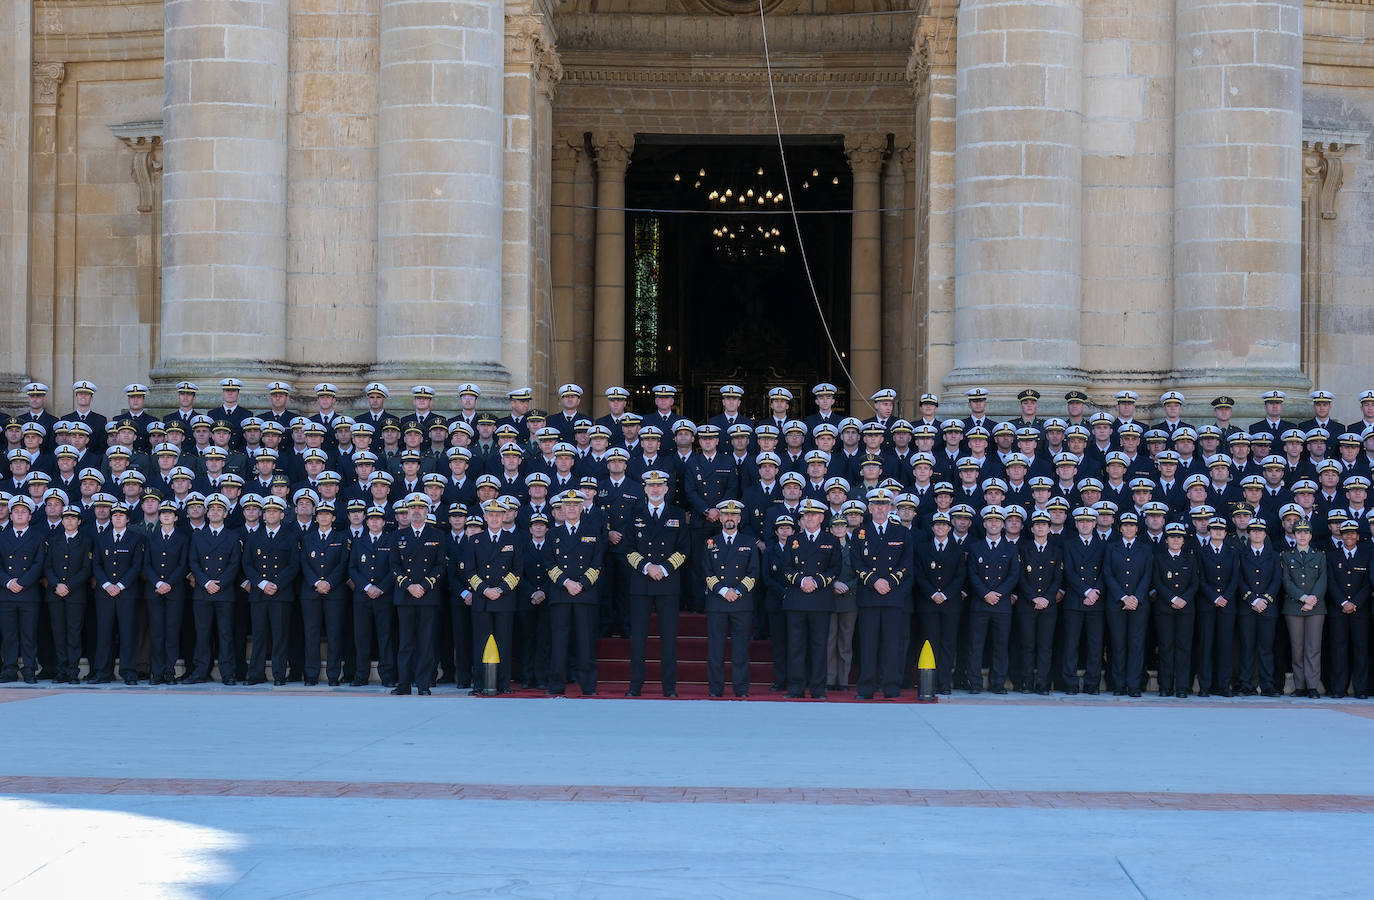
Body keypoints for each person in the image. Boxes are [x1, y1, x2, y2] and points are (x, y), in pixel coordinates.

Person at [623, 470, 689, 697]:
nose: (655, 489)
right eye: (651, 485)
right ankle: (635, 686)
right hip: (641, 583)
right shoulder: (634, 513)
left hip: (667, 583)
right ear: (644, 489)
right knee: (638, 638)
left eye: (659, 485)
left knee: (669, 639)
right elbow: (628, 548)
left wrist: (664, 568)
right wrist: (647, 567)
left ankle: (669, 687)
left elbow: (684, 548)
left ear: (666, 489)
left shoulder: (677, 514)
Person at [851, 489, 913, 699]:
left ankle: (891, 686)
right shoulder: (860, 533)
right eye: (876, 505)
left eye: (883, 505)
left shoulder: (902, 532)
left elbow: (907, 563)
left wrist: (890, 581)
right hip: (869, 595)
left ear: (890, 508)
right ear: (869, 508)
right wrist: (874, 581)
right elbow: (856, 563)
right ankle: (866, 687)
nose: (879, 509)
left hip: (892, 596)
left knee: (891, 644)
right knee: (868, 645)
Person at [780, 499, 841, 698]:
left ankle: (818, 689)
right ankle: (796, 688)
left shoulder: (831, 540)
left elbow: (835, 568)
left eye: (813, 515)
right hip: (797, 600)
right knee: (795, 646)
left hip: (820, 599)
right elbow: (786, 567)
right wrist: (801, 580)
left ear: (821, 518)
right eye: (806, 515)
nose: (809, 518)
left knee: (819, 647)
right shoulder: (793, 540)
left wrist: (816, 581)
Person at [546, 489, 605, 696]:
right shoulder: (553, 534)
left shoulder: (593, 532)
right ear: (561, 508)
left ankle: (588, 686)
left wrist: (580, 584)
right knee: (559, 642)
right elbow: (549, 563)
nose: (571, 508)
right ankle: (556, 685)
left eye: (575, 505)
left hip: (584, 594)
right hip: (561, 594)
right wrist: (567, 582)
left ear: (581, 508)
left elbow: (597, 563)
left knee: (585, 642)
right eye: (567, 505)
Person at [462, 499, 522, 695]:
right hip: (482, 599)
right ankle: (479, 682)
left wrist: (500, 590)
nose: (495, 518)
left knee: (504, 642)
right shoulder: (475, 540)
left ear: (504, 517)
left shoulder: (514, 539)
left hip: (504, 599)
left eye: (498, 515)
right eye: (491, 515)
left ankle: (503, 683)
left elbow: (517, 570)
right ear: (485, 517)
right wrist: (485, 590)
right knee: (480, 642)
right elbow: (470, 571)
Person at [703, 499, 759, 698]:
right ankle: (715, 689)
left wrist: (737, 591)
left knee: (741, 649)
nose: (730, 518)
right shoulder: (710, 543)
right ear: (720, 518)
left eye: (734, 515)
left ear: (739, 519)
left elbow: (754, 572)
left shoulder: (749, 542)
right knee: (715, 650)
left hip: (741, 602)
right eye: (726, 514)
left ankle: (741, 688)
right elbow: (707, 572)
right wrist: (723, 590)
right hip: (717, 602)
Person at [243, 495, 300, 686]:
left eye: (275, 511)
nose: (271, 514)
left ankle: (279, 674)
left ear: (282, 515)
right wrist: (262, 583)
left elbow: (294, 564)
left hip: (281, 593)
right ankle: (256, 674)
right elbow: (247, 564)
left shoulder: (290, 536)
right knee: (259, 636)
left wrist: (277, 584)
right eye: (268, 511)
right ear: (263, 515)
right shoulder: (254, 537)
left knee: (280, 636)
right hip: (259, 593)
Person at [391, 494, 444, 695]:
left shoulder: (437, 535)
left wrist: (424, 585)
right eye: (412, 508)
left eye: (420, 508)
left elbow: (440, 565)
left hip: (427, 596)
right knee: (405, 643)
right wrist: (408, 585)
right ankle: (404, 684)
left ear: (427, 511)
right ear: (408, 511)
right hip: (405, 596)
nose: (416, 511)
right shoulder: (398, 535)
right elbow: (394, 565)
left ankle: (423, 684)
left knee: (426, 642)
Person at [186, 493, 241, 684]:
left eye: (220, 509)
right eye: (212, 509)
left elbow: (234, 564)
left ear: (226, 514)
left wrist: (219, 583)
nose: (216, 512)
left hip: (224, 592)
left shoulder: (233, 537)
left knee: (225, 634)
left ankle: (228, 673)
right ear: (207, 513)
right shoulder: (198, 536)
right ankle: (200, 672)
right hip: (203, 592)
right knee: (202, 635)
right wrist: (206, 582)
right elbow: (193, 561)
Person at [965, 505, 1018, 694]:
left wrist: (998, 594)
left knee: (1000, 646)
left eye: (997, 521)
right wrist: (985, 593)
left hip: (1001, 605)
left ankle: (998, 683)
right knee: (975, 645)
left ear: (1003, 525)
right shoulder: (975, 547)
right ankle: (975, 683)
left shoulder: (1011, 548)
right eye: (990, 520)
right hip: (980, 603)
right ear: (984, 524)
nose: (994, 523)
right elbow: (971, 574)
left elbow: (1013, 575)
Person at [93, 501, 147, 685]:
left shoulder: (136, 539)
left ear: (127, 519)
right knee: (104, 633)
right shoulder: (101, 538)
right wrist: (107, 584)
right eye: (115, 515)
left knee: (127, 633)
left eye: (121, 515)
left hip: (127, 593)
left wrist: (121, 585)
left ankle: (128, 671)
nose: (117, 518)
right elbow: (97, 565)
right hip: (105, 593)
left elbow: (136, 565)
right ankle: (103, 672)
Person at [299, 503, 351, 686]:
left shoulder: (342, 538)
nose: (323, 517)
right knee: (311, 634)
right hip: (311, 592)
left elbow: (343, 563)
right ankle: (311, 675)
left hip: (334, 592)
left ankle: (333, 675)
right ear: (316, 517)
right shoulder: (307, 539)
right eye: (320, 514)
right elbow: (304, 563)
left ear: (333, 518)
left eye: (327, 514)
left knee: (334, 634)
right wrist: (316, 582)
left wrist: (329, 582)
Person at [0, 497, 48, 683]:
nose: (20, 514)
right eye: (16, 511)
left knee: (29, 634)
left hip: (29, 593)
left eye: (23, 512)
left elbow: (39, 563)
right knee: (9, 635)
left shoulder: (38, 537)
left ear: (30, 516)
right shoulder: (2, 537)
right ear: (11, 516)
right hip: (6, 593)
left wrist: (22, 582)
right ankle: (9, 669)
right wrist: (8, 582)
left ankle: (29, 669)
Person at [43, 504, 92, 684]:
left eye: (73, 518)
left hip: (75, 594)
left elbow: (86, 569)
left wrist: (68, 586)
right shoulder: (53, 539)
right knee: (58, 633)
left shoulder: (86, 541)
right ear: (62, 521)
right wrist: (57, 585)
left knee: (74, 634)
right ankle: (61, 670)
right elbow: (47, 566)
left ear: (79, 521)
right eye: (66, 518)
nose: (69, 521)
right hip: (55, 594)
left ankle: (72, 671)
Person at [143, 500, 190, 685]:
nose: (166, 516)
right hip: (154, 591)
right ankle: (157, 672)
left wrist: (168, 583)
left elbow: (183, 564)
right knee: (156, 634)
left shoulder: (182, 538)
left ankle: (170, 672)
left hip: (174, 591)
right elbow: (146, 563)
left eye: (170, 513)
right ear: (159, 517)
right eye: (163, 513)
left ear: (176, 518)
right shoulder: (151, 537)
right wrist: (158, 582)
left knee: (172, 633)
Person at [1017, 510, 1064, 694]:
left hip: (1048, 606)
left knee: (1045, 646)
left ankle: (1043, 684)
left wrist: (1046, 598)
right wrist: (1033, 597)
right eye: (1037, 525)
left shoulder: (1056, 551)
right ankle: (1027, 683)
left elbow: (1058, 578)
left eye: (1044, 525)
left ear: (1049, 528)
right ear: (1032, 529)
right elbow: (1020, 576)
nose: (1040, 528)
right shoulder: (1023, 549)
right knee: (1027, 645)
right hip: (1027, 604)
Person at [1324, 518, 1370, 698]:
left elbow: (1368, 583)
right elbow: (1330, 582)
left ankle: (1361, 689)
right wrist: (1343, 602)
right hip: (1338, 609)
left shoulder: (1367, 555)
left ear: (1358, 536)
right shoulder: (1331, 556)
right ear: (1341, 536)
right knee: (1338, 649)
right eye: (1345, 533)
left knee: (1361, 650)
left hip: (1360, 610)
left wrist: (1355, 602)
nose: (1349, 536)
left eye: (1352, 533)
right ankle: (1338, 688)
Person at [1236, 518, 1282, 697]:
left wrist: (1265, 600)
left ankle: (1267, 685)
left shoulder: (1274, 555)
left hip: (1268, 608)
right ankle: (1246, 684)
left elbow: (1277, 580)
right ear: (1248, 534)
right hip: (1247, 608)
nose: (1257, 534)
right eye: (1253, 531)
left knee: (1266, 649)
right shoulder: (1241, 554)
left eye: (1260, 531)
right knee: (1246, 647)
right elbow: (1239, 579)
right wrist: (1252, 600)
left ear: (1265, 534)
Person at [1153, 522, 1199, 698]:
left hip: (1186, 609)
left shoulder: (1191, 559)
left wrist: (1183, 599)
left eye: (1179, 537)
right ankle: (1165, 686)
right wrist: (1173, 598)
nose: (1175, 540)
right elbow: (1157, 581)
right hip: (1165, 608)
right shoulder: (1159, 558)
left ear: (1183, 541)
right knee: (1166, 647)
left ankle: (1182, 687)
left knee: (1184, 648)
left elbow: (1195, 583)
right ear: (1166, 540)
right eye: (1172, 537)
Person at [1281, 521, 1326, 698]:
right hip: (1294, 606)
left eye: (1306, 532)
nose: (1302, 536)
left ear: (1311, 535)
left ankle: (1312, 686)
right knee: (1297, 648)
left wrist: (1312, 599)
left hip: (1316, 607)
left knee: (1313, 648)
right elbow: (1286, 581)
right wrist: (1303, 598)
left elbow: (1323, 580)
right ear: (1294, 535)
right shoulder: (1286, 555)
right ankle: (1300, 686)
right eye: (1299, 532)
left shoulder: (1320, 555)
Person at [826, 513, 857, 691]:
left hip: (849, 598)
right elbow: (820, 569)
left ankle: (843, 680)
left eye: (842, 526)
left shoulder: (855, 546)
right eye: (836, 526)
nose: (839, 529)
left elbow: (861, 571)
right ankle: (830, 679)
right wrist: (832, 584)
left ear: (847, 528)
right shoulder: (825, 546)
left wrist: (847, 586)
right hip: (829, 598)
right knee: (829, 641)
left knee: (845, 641)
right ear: (830, 529)